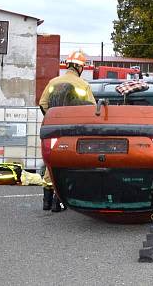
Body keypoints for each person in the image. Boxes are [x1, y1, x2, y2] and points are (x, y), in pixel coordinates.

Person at [38, 49, 96, 212]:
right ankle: (59, 202)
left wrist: (52, 118)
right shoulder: (83, 85)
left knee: (50, 162)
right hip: (72, 130)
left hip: (50, 129)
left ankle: (46, 201)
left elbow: (42, 104)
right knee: (67, 163)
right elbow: (91, 108)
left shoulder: (53, 82)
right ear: (80, 68)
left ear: (68, 65)